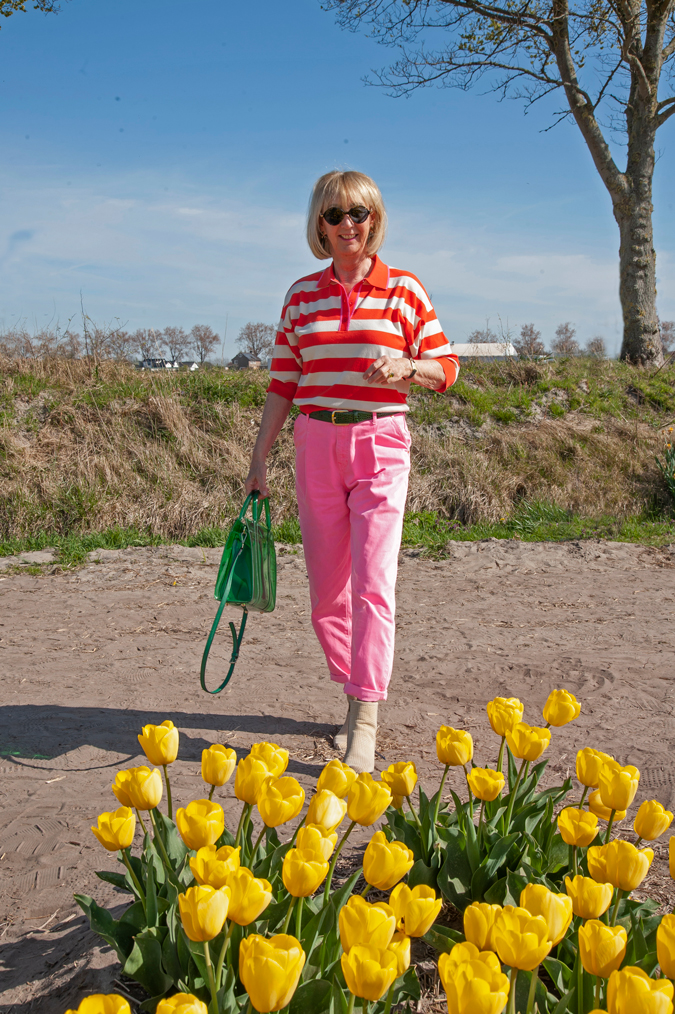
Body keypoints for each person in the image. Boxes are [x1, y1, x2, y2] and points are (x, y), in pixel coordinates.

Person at [244, 170, 459, 772]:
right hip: (314, 443)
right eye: (334, 214)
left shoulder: (405, 290)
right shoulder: (300, 296)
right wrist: (259, 457)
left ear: (374, 219)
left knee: (373, 585)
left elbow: (447, 368)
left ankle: (365, 716)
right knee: (326, 599)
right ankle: (354, 687)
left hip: (380, 442)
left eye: (358, 214)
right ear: (320, 224)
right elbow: (282, 383)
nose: (347, 225)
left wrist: (409, 366)